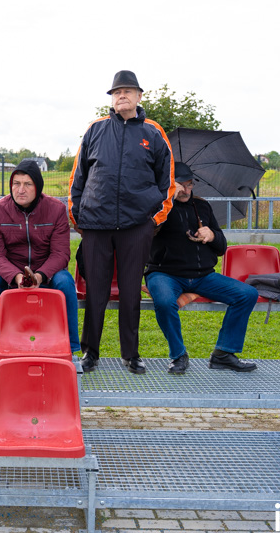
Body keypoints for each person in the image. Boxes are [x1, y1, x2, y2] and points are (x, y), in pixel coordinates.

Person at [68, 70, 175, 374]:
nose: (122, 96)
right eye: (117, 92)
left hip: (136, 228)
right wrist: (79, 217)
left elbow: (166, 183)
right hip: (96, 227)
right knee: (96, 293)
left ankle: (131, 353)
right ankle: (90, 352)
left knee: (130, 292)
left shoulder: (153, 133)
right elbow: (78, 179)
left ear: (140, 96)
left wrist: (152, 221)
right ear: (111, 99)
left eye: (128, 91)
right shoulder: (95, 130)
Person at [144, 162, 259, 374]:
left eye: (190, 185)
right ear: (169, 184)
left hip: (202, 275)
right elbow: (145, 234)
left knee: (247, 294)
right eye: (181, 186)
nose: (186, 191)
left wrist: (212, 235)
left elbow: (221, 247)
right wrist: (167, 199)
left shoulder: (202, 206)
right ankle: (178, 355)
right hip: (164, 273)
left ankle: (223, 353)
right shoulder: (156, 207)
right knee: (164, 301)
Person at [0, 159, 79, 375]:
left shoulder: (56, 210)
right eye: (16, 183)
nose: (20, 189)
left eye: (27, 184)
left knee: (65, 281)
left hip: (46, 273)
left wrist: (40, 276)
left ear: (38, 186)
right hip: (11, 274)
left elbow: (61, 253)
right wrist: (16, 277)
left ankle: (71, 351)